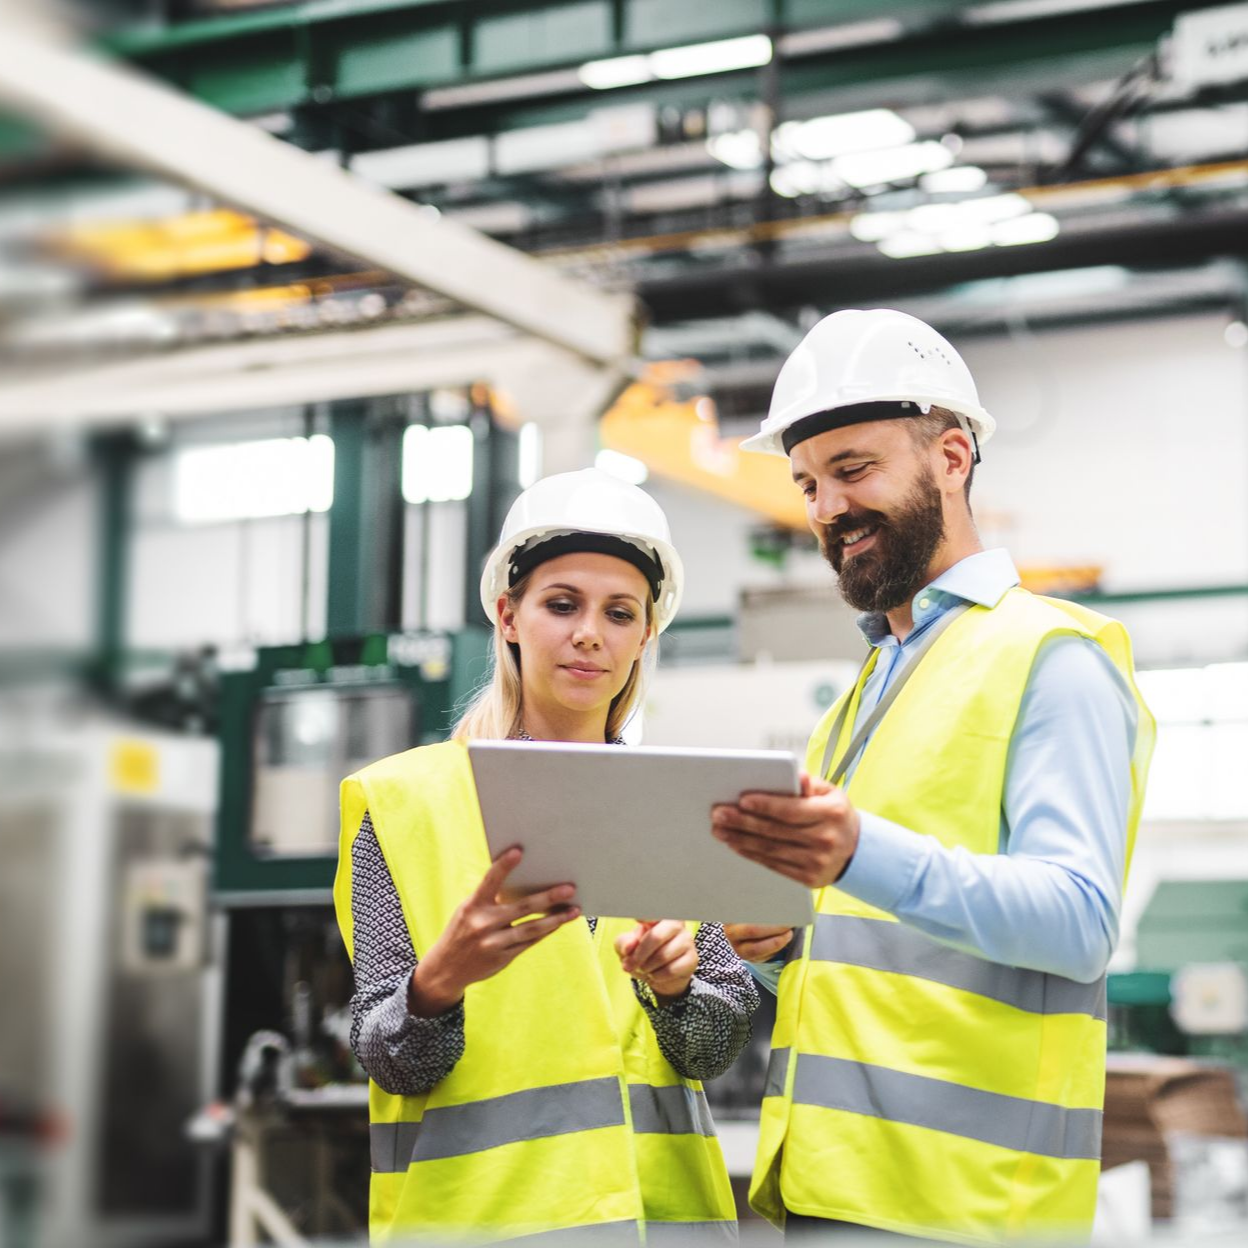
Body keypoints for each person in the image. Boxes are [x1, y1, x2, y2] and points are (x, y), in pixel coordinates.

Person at [713, 309, 1155, 1244]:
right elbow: (887, 950)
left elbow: (1080, 923)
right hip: (835, 1189)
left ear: (951, 457)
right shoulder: (861, 696)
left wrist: (855, 854)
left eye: (853, 469)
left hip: (971, 1207)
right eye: (807, 483)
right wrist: (782, 946)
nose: (826, 509)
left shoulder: (1054, 657)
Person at [334, 467, 756, 1244]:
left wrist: (677, 991)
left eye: (619, 612)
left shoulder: (676, 803)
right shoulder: (404, 805)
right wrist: (437, 985)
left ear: (645, 634)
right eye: (562, 604)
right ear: (509, 615)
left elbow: (714, 1048)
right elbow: (389, 1061)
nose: (590, 633)